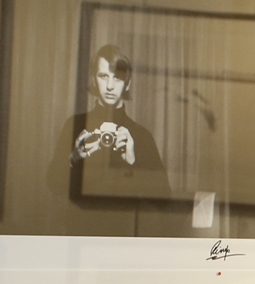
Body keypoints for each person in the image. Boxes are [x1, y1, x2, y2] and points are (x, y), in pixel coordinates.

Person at [46, 44, 170, 204]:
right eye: (104, 76)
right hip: (79, 225)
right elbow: (53, 185)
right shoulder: (75, 125)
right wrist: (74, 158)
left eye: (117, 77)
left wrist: (133, 162)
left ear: (127, 83)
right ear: (94, 80)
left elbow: (164, 197)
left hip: (122, 227)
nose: (110, 86)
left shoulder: (141, 135)